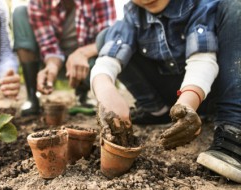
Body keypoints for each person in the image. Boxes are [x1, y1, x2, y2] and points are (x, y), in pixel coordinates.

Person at [91, 0, 241, 183]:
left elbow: (202, 61)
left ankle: (233, 130)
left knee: (235, 5)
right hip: (172, 97)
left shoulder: (197, 6)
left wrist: (187, 103)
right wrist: (106, 91)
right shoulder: (132, 15)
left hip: (208, 92)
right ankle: (157, 111)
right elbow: (107, 62)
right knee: (105, 37)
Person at [12, 0, 116, 116]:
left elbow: (109, 38)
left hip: (87, 63)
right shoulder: (38, 2)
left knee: (105, 55)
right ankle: (32, 96)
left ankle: (82, 94)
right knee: (20, 12)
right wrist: (52, 65)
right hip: (53, 62)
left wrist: (82, 53)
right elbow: (49, 45)